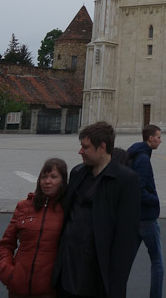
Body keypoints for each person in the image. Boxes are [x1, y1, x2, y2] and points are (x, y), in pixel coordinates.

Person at [53, 121, 141, 298]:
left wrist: (116, 285)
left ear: (102, 147)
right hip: (68, 270)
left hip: (97, 275)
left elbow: (126, 239)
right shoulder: (78, 173)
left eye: (85, 147)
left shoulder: (126, 180)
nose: (80, 151)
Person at [0, 157, 68, 297]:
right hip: (18, 287)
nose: (47, 181)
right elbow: (6, 243)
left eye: (53, 177)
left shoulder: (68, 209)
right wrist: (5, 270)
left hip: (50, 290)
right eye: (44, 177)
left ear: (63, 181)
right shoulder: (24, 206)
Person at [127, 124, 164, 298]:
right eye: (158, 137)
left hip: (135, 215)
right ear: (150, 138)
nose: (160, 141)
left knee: (126, 261)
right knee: (157, 261)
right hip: (147, 217)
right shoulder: (143, 159)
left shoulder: (136, 153)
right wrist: (154, 199)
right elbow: (138, 189)